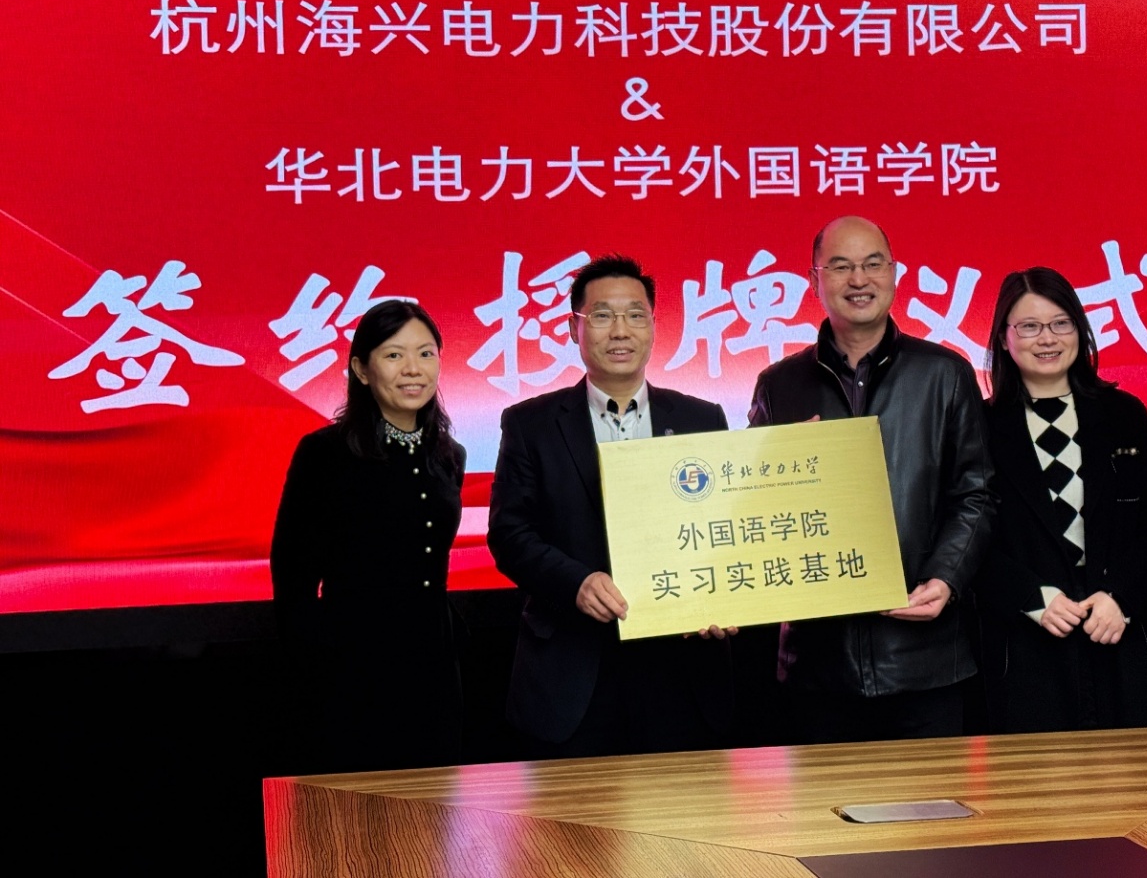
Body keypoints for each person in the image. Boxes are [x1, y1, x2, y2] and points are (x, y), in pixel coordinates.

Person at [748, 215, 994, 743]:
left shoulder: (946, 373)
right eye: (840, 266)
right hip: (818, 666)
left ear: (895, 273)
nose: (858, 279)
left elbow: (975, 494)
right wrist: (782, 469)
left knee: (933, 798)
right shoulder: (779, 384)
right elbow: (753, 506)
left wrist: (945, 578)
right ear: (813, 280)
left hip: (925, 660)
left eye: (872, 264)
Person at [488, 254, 733, 758]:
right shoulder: (531, 424)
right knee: (572, 810)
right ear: (573, 328)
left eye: (635, 315)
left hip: (681, 667)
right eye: (602, 315)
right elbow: (510, 535)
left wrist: (724, 597)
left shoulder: (702, 419)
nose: (620, 330)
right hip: (572, 669)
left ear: (653, 326)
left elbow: (724, 528)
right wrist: (575, 582)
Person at [976, 266, 1147, 732]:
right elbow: (968, 536)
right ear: (1004, 338)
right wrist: (1033, 597)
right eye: (1029, 326)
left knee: (1143, 773)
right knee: (1042, 775)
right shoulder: (980, 425)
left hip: (1123, 633)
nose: (1047, 338)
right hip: (1031, 646)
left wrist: (1120, 597)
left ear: (1080, 329)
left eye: (1061, 323)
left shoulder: (1124, 413)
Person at [270, 300, 467, 772]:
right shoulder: (324, 453)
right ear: (361, 369)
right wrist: (314, 668)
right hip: (350, 664)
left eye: (426, 354)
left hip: (434, 660)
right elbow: (293, 576)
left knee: (433, 798)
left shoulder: (449, 455)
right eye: (394, 355)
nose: (413, 369)